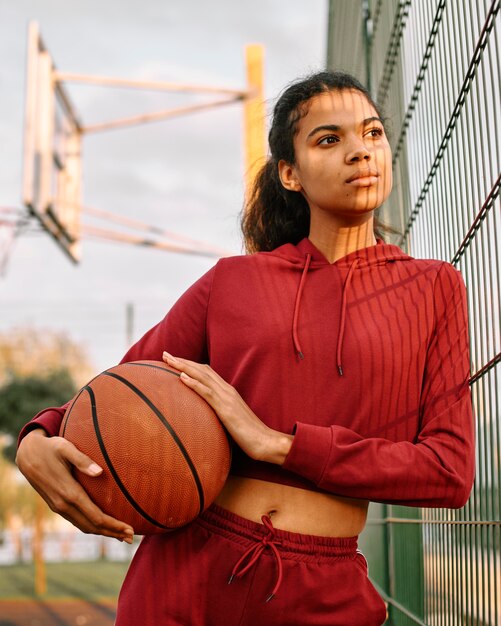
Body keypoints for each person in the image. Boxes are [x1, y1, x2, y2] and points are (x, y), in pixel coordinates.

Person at [16, 71, 474, 626]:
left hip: (324, 591)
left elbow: (448, 472)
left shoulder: (433, 288)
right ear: (290, 173)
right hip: (185, 573)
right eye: (329, 139)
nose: (360, 151)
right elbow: (122, 388)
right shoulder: (232, 281)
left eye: (372, 133)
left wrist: (279, 445)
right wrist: (38, 436)